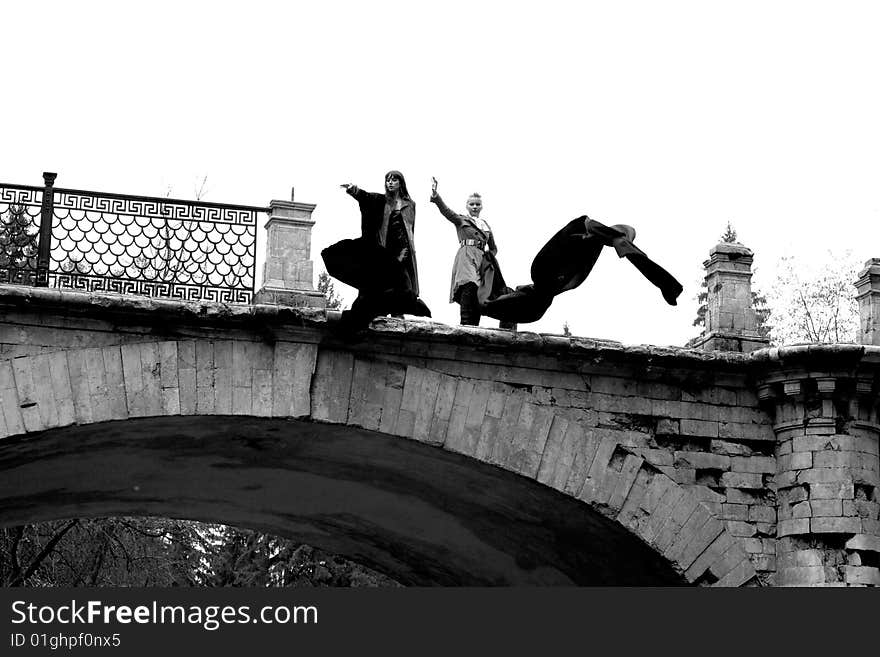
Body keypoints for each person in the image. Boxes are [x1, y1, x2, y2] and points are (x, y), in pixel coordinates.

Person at [481, 215, 683, 324]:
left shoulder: (596, 243)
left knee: (534, 307)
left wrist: (665, 284)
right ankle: (489, 306)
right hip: (548, 271)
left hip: (550, 280)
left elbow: (637, 258)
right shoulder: (589, 229)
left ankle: (496, 307)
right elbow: (632, 253)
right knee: (533, 305)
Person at [321, 170, 430, 333]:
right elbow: (365, 198)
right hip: (384, 249)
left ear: (401, 183)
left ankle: (397, 314)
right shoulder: (381, 200)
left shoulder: (410, 204)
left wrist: (406, 252)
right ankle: (364, 318)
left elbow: (410, 230)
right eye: (388, 180)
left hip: (402, 250)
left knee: (401, 284)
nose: (390, 183)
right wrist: (353, 190)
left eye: (394, 180)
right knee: (376, 284)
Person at [429, 177, 515, 329]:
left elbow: (494, 247)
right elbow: (446, 211)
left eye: (477, 204)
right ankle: (466, 324)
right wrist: (436, 197)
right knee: (469, 286)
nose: (475, 206)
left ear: (481, 206)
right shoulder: (461, 219)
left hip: (481, 259)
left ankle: (475, 325)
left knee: (482, 292)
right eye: (472, 204)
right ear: (467, 206)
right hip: (466, 256)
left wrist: (489, 257)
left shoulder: (485, 225)